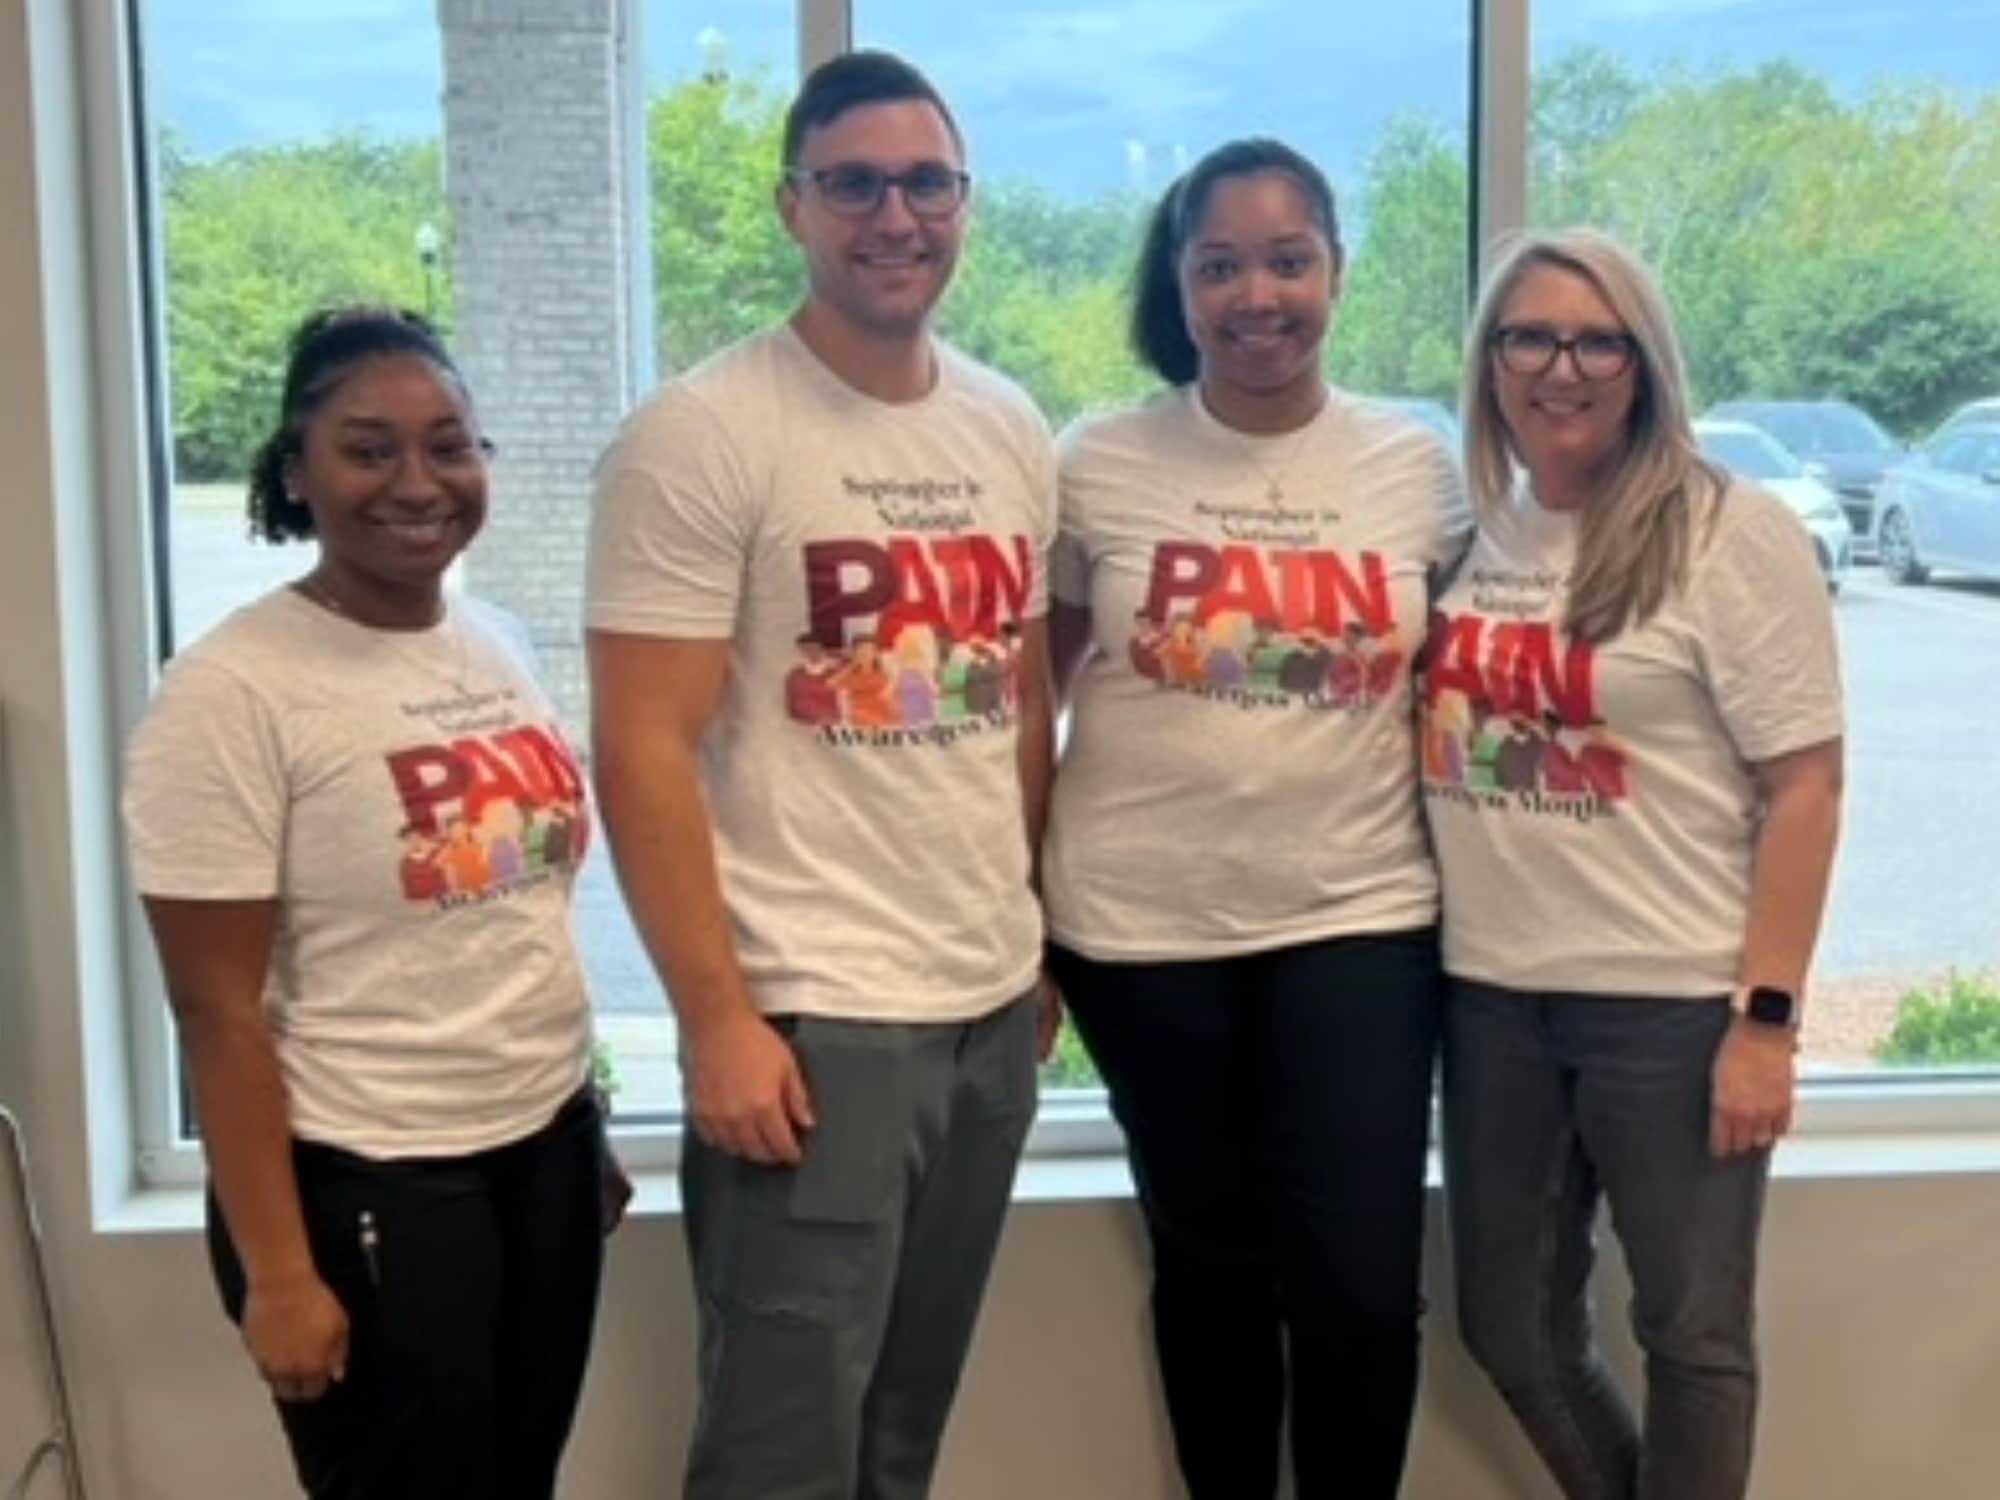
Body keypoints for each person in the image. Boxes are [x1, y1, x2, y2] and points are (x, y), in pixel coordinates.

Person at [584, 50, 1056, 1500]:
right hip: (812, 1026)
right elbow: (640, 745)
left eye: (925, 183)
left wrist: (1032, 942)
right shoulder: (704, 433)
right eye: (852, 185)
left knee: (900, 1438)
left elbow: (1020, 700)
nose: (893, 217)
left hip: (985, 1010)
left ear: (966, 201)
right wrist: (715, 1021)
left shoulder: (1006, 424)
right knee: (779, 1455)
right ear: (793, 204)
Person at [122, 307, 621, 1500]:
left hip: (539, 1155)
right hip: (371, 1181)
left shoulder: (493, 641)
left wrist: (581, 1123)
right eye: (367, 448)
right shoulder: (232, 691)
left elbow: (517, 918)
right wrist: (279, 1274)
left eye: (449, 445)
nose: (417, 482)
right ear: (296, 470)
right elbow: (217, 1016)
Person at [1040, 138, 1470, 1500]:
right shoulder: (1096, 459)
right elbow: (1026, 696)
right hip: (1137, 931)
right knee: (1212, 1269)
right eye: (1219, 265)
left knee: (1359, 1287)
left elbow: (1476, 685)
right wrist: (1013, 915)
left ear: (1337, 269)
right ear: (1178, 284)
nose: (1255, 295)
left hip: (1359, 918)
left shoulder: (1418, 468)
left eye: (1287, 260)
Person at [1422, 229, 1844, 1500]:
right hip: (1490, 997)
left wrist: (1764, 1022)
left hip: (1669, 1006)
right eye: (1528, 338)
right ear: (1489, 361)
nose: (1560, 368)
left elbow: (1805, 787)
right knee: (1508, 1329)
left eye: (1596, 341)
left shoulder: (1726, 531)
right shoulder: (1480, 532)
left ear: (1644, 362)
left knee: (1691, 1339)